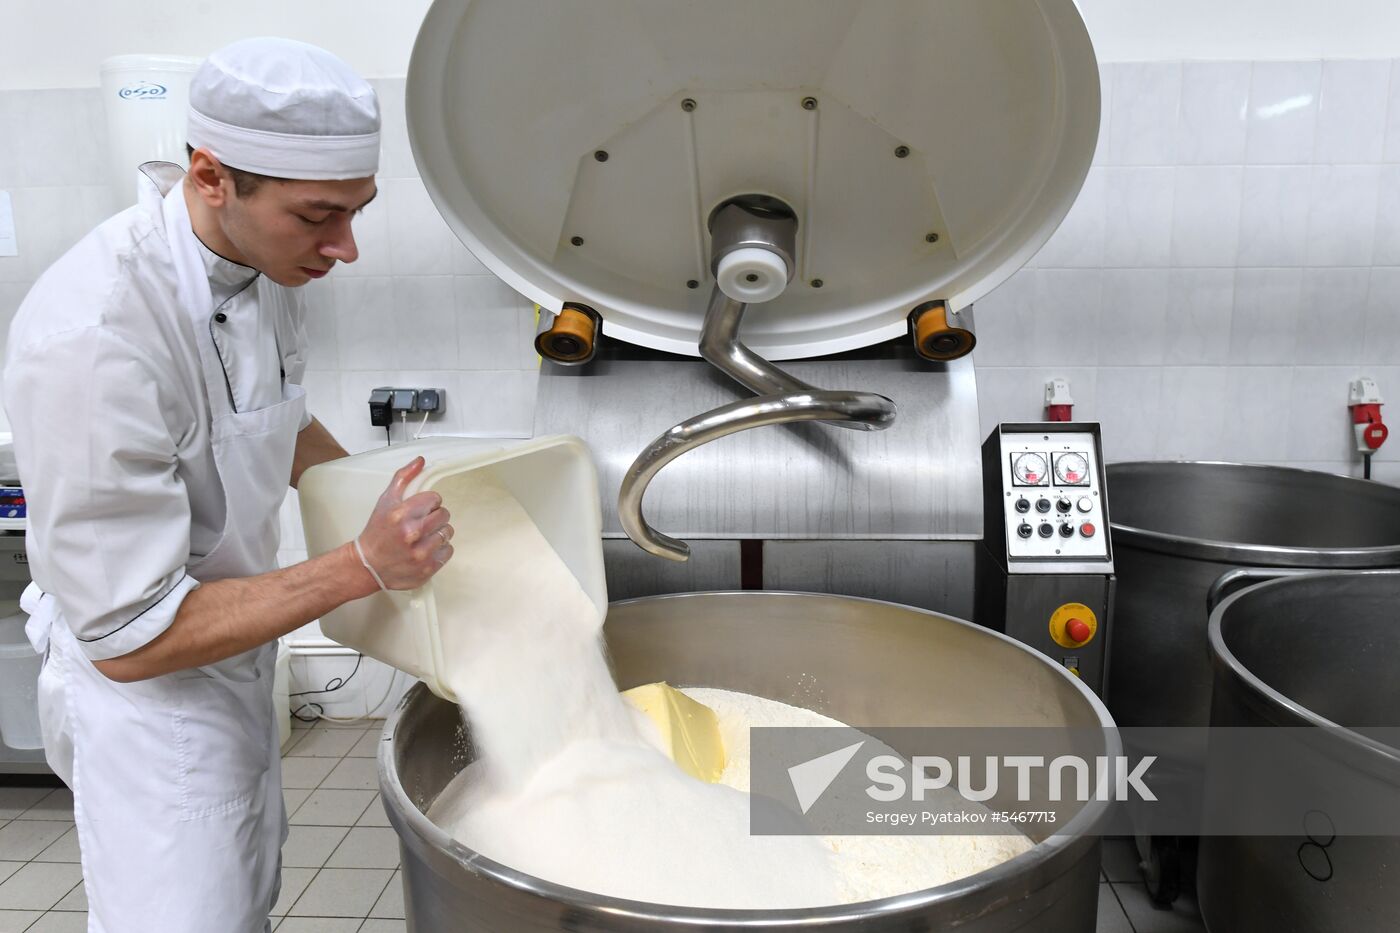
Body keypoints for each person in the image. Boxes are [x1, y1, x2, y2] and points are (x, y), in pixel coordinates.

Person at [3, 37, 452, 932]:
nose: (347, 247)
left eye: (357, 212)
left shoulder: (262, 263)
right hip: (150, 705)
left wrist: (379, 492)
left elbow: (273, 417)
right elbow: (130, 637)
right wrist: (363, 563)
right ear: (211, 177)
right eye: (319, 217)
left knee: (244, 895)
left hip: (234, 659)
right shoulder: (99, 336)